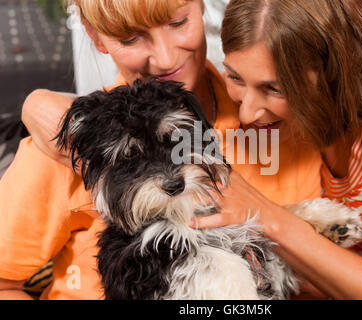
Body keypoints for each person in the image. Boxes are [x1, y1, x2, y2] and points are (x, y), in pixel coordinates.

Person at [0, 0, 321, 299]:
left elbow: (311, 276)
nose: (166, 59)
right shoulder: (62, 146)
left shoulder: (277, 122)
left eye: (178, 22)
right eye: (130, 39)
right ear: (95, 35)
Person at [190, 0, 362, 299]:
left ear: (336, 73)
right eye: (235, 77)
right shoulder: (289, 116)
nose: (247, 114)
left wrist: (265, 216)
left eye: (275, 89)